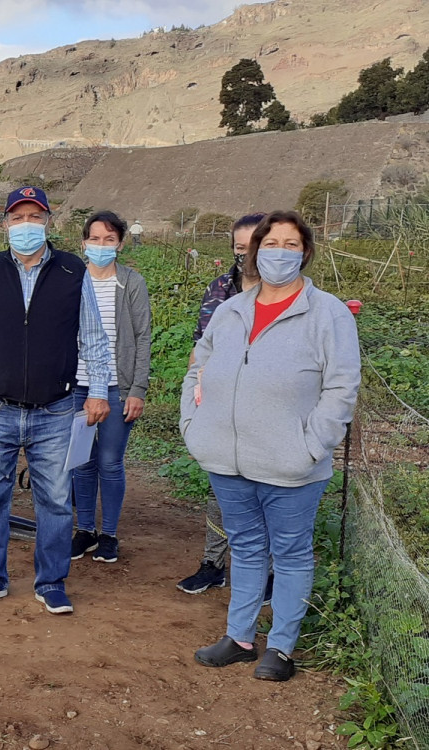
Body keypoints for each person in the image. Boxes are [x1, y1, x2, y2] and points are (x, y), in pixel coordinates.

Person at [183, 210, 360, 681]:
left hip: (290, 463)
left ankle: (280, 647)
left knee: (291, 552)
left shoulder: (328, 313)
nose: (280, 252)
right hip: (226, 456)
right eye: (271, 243)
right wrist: (193, 426)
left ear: (305, 253)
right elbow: (196, 367)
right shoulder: (230, 310)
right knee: (244, 546)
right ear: (255, 251)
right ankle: (239, 637)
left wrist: (310, 446)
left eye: (291, 244)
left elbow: (342, 389)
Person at [0, 186, 111, 615]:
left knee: (55, 500)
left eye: (34, 218)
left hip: (56, 408)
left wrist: (96, 392)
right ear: (5, 225)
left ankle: (52, 581)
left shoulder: (74, 272)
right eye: (18, 218)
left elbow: (93, 337)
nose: (26, 226)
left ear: (48, 223)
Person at [177, 213, 266, 595]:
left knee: (268, 491)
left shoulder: (293, 297)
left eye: (254, 248)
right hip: (221, 407)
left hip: (268, 411)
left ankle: (270, 574)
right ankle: (213, 563)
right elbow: (200, 350)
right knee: (221, 489)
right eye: (239, 248)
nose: (245, 257)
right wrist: (193, 405)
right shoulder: (219, 289)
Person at [69, 211, 151, 565]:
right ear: (83, 242)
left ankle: (109, 535)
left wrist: (138, 389)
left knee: (110, 462)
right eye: (95, 239)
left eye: (109, 239)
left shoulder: (131, 283)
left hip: (117, 386)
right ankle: (84, 529)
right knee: (81, 462)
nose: (101, 246)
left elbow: (143, 337)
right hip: (77, 385)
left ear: (119, 243)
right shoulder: (71, 280)